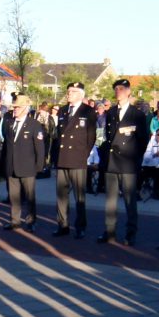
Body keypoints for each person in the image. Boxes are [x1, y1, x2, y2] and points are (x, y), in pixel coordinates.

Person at [98, 79, 149, 245]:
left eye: (121, 88)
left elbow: (143, 140)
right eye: (116, 89)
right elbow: (107, 136)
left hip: (128, 163)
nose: (118, 91)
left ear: (128, 91)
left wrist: (134, 158)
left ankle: (130, 234)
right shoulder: (111, 112)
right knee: (111, 201)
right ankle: (109, 231)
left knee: (129, 201)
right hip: (112, 162)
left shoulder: (137, 115)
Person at [52, 82, 97, 238]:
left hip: (77, 158)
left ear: (80, 94)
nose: (68, 93)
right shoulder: (63, 110)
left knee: (79, 196)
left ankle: (80, 226)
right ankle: (62, 224)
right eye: (68, 90)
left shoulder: (89, 111)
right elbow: (59, 134)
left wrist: (83, 155)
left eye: (72, 91)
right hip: (63, 157)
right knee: (61, 194)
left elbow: (91, 137)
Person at [1, 95, 47, 232]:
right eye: (14, 107)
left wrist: (38, 166)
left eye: (18, 107)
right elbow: (7, 146)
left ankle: (31, 221)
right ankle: (14, 221)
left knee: (29, 197)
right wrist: (4, 164)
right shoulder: (9, 123)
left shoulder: (34, 125)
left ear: (26, 109)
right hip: (12, 166)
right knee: (14, 197)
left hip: (28, 167)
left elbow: (40, 148)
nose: (15, 109)